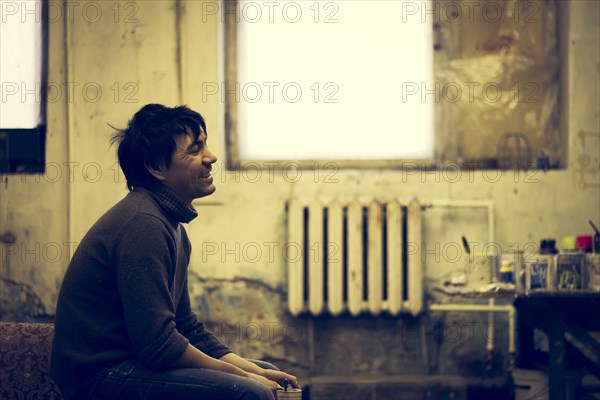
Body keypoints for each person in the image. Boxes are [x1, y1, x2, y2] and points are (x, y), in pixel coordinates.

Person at [50, 104, 299, 400]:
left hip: (133, 364)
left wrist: (252, 371)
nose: (211, 157)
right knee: (248, 392)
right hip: (100, 376)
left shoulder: (171, 225)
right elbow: (158, 346)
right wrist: (243, 377)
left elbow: (185, 326)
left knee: (264, 371)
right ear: (156, 167)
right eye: (195, 150)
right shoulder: (143, 225)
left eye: (204, 144)